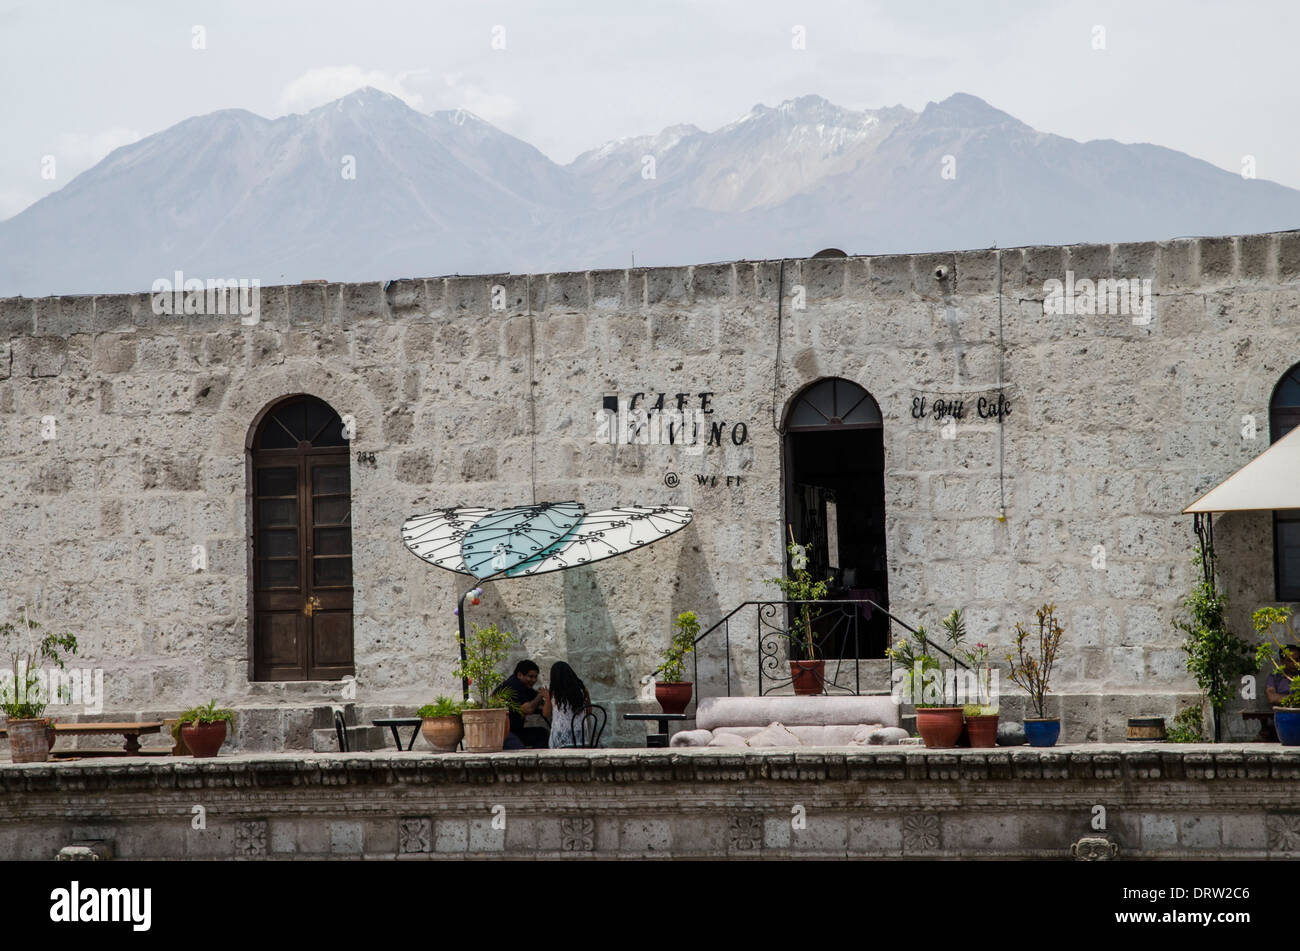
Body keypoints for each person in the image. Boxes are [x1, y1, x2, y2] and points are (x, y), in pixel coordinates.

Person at [496, 660, 550, 749]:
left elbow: (540, 705)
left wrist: (547, 699)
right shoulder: (513, 685)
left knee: (542, 733)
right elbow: (528, 709)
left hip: (515, 731)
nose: (533, 680)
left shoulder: (525, 686)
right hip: (502, 733)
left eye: (535, 677)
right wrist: (540, 696)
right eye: (530, 676)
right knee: (521, 752)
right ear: (520, 675)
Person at [547, 661, 593, 749]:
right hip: (581, 735)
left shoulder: (554, 693)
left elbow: (546, 713)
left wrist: (546, 697)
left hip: (561, 735)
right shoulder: (583, 691)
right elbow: (589, 711)